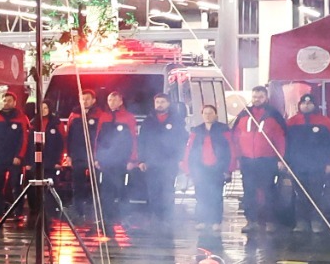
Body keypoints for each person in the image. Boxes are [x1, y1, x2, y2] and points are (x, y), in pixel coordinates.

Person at [231, 86, 287, 233]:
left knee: (268, 191)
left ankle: (269, 221)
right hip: (247, 160)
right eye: (255, 97)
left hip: (267, 160)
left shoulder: (274, 115)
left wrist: (281, 158)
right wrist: (237, 157)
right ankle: (251, 221)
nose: (257, 100)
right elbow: (235, 137)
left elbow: (281, 138)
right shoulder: (244, 114)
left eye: (260, 97)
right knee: (249, 191)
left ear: (266, 98)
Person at [284, 95, 330, 232]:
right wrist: (286, 162)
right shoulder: (292, 122)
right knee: (300, 195)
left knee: (316, 194)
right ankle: (301, 222)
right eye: (304, 103)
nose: (306, 105)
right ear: (299, 105)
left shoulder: (325, 122)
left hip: (317, 165)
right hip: (297, 165)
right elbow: (286, 145)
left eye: (309, 103)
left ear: (315, 105)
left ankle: (316, 221)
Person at [88, 92, 137, 228]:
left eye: (115, 100)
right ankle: (106, 217)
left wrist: (132, 159)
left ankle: (123, 217)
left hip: (122, 160)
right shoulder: (104, 116)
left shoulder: (128, 117)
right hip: (106, 160)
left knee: (122, 189)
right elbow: (98, 139)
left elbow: (133, 139)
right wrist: (96, 158)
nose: (112, 102)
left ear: (121, 101)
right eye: (110, 100)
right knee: (106, 190)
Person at [136, 95, 184, 223]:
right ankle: (156, 217)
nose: (159, 104)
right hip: (151, 162)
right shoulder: (148, 121)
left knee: (168, 190)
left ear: (168, 103)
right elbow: (141, 141)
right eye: (157, 102)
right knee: (153, 191)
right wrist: (141, 160)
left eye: (162, 102)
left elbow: (182, 141)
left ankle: (168, 217)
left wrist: (180, 159)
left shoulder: (176, 120)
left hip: (170, 162)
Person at [186, 104, 234, 224]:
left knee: (216, 196)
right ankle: (201, 220)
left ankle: (215, 222)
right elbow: (189, 150)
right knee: (201, 196)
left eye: (210, 113)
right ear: (202, 115)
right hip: (200, 168)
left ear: (216, 115)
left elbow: (231, 149)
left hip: (218, 168)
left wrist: (229, 168)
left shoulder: (223, 129)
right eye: (205, 113)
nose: (208, 115)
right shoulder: (196, 130)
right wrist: (187, 168)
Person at [0, 95, 30, 220]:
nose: (6, 103)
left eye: (9, 100)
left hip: (14, 160)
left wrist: (19, 156)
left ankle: (18, 212)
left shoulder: (22, 118)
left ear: (15, 102)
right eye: (4, 100)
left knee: (16, 186)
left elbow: (24, 139)